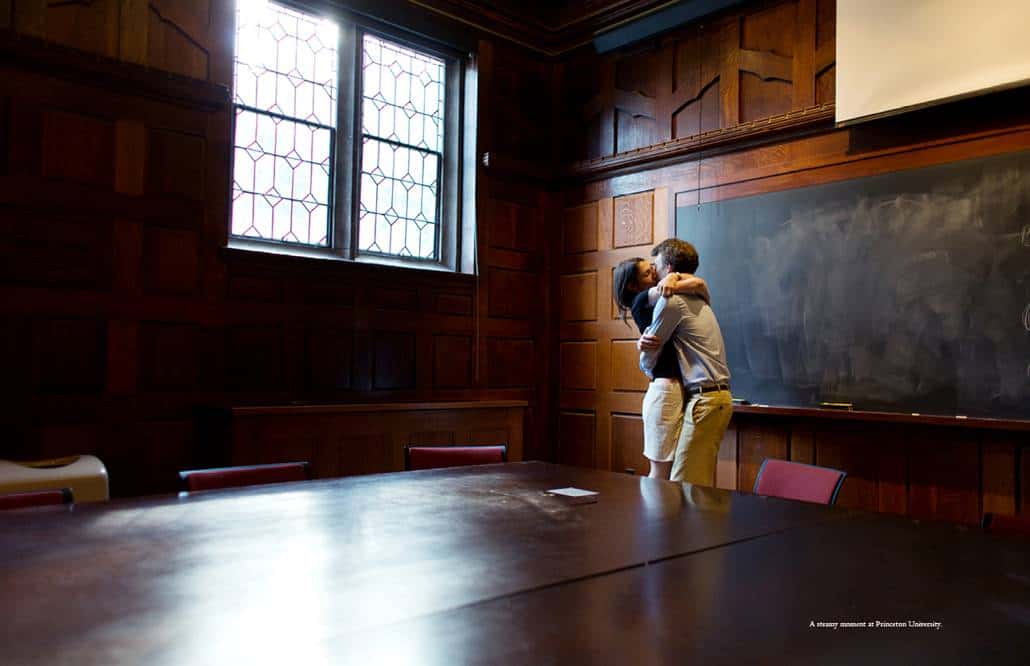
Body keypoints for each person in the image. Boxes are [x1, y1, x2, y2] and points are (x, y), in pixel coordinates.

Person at [639, 239, 732, 486]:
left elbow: (651, 350)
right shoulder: (699, 296)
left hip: (706, 399)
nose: (654, 271)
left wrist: (644, 360)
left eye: (657, 266)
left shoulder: (672, 301)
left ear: (668, 268)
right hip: (713, 399)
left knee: (684, 485)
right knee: (692, 484)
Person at [613, 257, 710, 479]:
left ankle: (664, 513)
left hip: (675, 390)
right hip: (665, 392)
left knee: (673, 471)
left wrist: (673, 277)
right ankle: (654, 514)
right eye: (648, 274)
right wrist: (673, 277)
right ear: (632, 285)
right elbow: (683, 286)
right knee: (660, 473)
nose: (655, 275)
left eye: (654, 270)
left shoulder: (655, 303)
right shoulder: (640, 299)